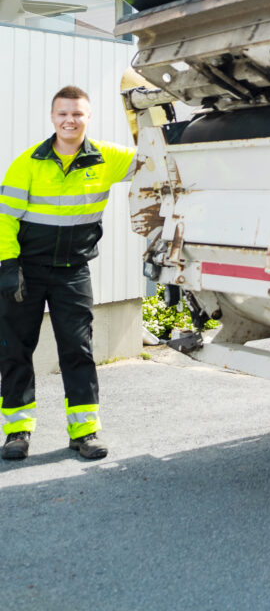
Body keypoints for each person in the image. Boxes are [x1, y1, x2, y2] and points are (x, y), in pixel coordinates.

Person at [0, 85, 135, 462]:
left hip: (73, 273)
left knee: (78, 350)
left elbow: (153, 158)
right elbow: (5, 218)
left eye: (77, 114)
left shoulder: (106, 157)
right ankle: (17, 432)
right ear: (52, 117)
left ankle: (84, 432)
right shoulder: (27, 162)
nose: (69, 120)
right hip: (26, 271)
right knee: (15, 349)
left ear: (88, 118)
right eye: (63, 114)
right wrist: (8, 266)